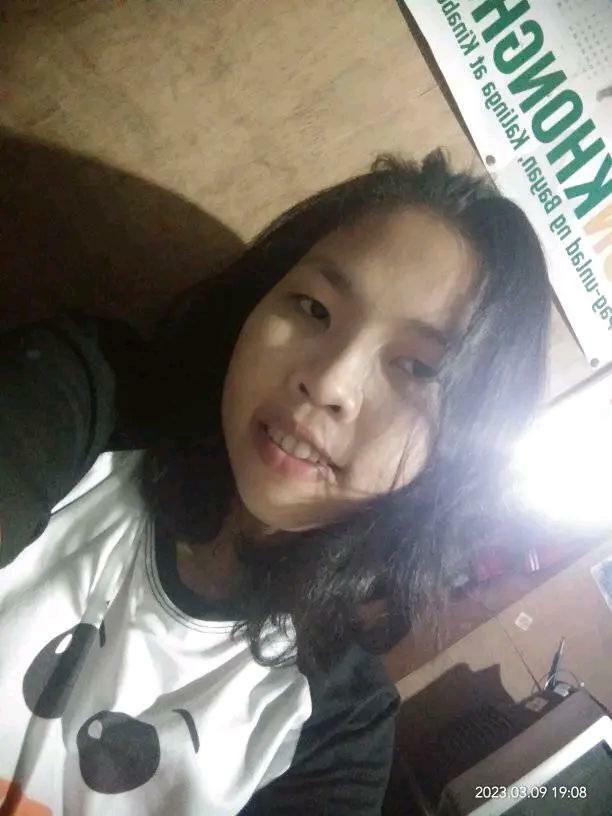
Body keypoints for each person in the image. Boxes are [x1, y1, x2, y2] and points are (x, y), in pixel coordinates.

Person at [0, 150, 550, 815]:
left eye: (418, 369)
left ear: (460, 451)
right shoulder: (80, 399)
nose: (329, 381)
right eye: (314, 308)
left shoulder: (339, 732)